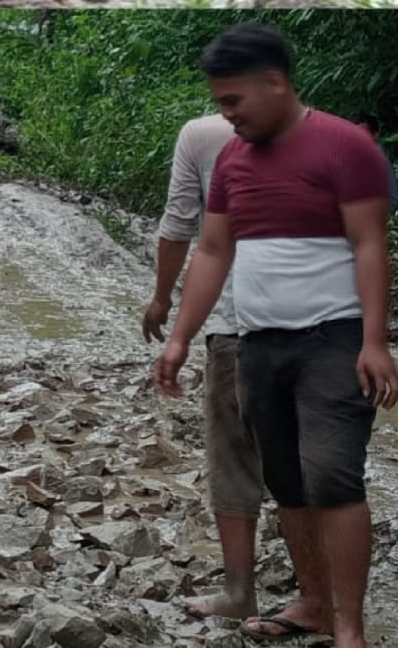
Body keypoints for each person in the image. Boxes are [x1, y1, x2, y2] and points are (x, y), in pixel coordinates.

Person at [154, 25, 398, 647]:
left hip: (334, 339)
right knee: (287, 481)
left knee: (333, 478)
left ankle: (350, 629)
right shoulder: (233, 161)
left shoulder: (344, 146)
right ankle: (314, 604)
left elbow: (370, 244)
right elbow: (213, 251)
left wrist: (375, 341)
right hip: (260, 344)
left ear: (275, 83)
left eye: (233, 100)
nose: (227, 114)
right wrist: (180, 337)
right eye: (220, 103)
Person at [141, 112, 284, 624]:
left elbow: (182, 225)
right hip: (313, 327)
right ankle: (327, 600)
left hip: (235, 321)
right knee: (303, 466)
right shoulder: (325, 135)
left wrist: (163, 301)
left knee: (235, 459)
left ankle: (240, 591)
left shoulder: (202, 136)